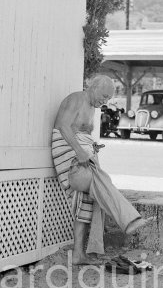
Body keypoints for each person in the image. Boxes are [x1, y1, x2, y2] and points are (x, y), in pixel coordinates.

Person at [51, 75, 154, 265]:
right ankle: (128, 220)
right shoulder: (77, 98)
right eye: (104, 96)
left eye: (108, 99)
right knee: (104, 183)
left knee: (88, 203)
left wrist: (91, 148)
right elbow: (62, 126)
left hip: (83, 160)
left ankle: (78, 254)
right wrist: (80, 150)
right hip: (71, 163)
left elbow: (80, 134)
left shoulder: (91, 109)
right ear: (93, 86)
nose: (105, 101)